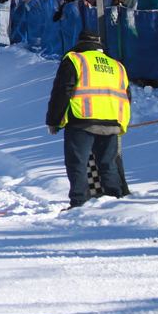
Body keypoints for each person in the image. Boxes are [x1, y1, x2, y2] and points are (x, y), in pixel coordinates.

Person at [44, 29, 131, 209]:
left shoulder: (75, 60)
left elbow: (63, 91)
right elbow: (127, 95)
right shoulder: (117, 65)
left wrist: (53, 120)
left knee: (78, 163)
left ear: (79, 43)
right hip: (112, 121)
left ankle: (78, 202)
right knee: (108, 164)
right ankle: (116, 201)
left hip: (82, 119)